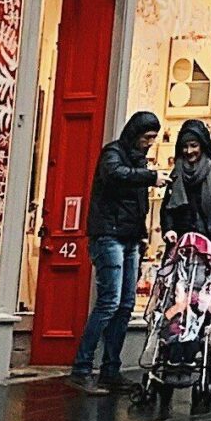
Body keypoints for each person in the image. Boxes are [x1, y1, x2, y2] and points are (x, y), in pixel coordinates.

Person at [70, 111, 163, 392]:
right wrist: (150, 176)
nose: (149, 143)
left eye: (153, 139)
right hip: (108, 235)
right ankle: (82, 368)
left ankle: (111, 369)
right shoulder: (113, 153)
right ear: (135, 134)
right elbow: (114, 174)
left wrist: (142, 236)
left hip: (130, 237)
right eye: (146, 137)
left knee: (125, 305)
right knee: (109, 302)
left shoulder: (137, 159)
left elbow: (137, 203)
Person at [160, 119, 211, 260]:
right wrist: (169, 229)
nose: (189, 151)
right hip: (181, 244)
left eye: (193, 146)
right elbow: (168, 207)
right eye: (185, 146)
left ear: (202, 145)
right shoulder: (177, 172)